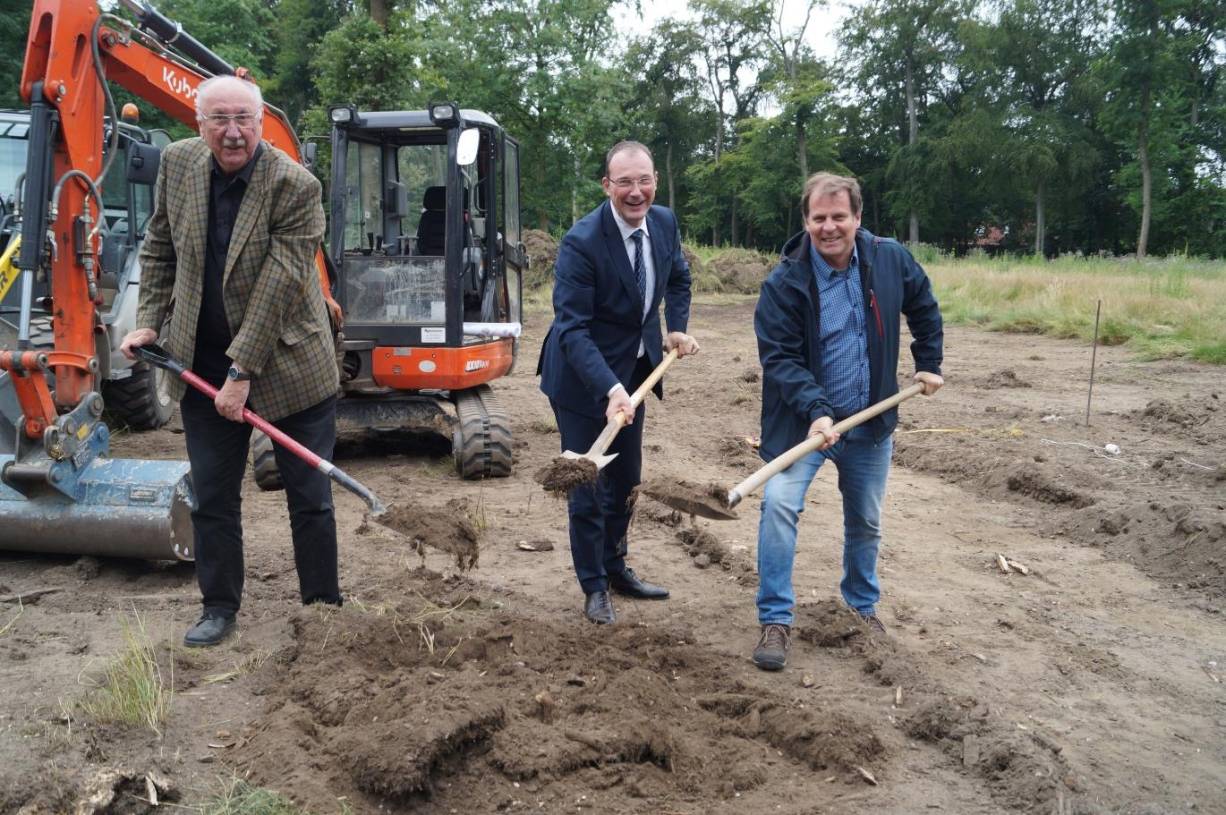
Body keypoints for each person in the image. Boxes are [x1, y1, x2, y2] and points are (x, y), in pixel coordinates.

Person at [120, 75, 340, 648]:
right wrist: (149, 318)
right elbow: (161, 245)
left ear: (262, 120)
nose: (233, 131)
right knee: (214, 496)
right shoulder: (179, 165)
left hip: (292, 362)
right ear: (200, 124)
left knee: (309, 497)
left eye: (244, 118)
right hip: (203, 361)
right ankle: (219, 607)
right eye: (219, 118)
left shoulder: (295, 184)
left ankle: (322, 608)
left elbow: (281, 284)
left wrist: (241, 373)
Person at [751, 172, 943, 671]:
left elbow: (923, 304)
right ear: (806, 220)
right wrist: (817, 412)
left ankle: (861, 608)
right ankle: (775, 618)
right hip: (802, 426)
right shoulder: (785, 281)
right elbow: (781, 359)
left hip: (870, 424)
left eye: (840, 217)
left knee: (866, 522)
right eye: (819, 218)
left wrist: (930, 360)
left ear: (858, 218)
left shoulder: (888, 258)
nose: (829, 227)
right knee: (777, 507)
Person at [538, 140, 699, 625]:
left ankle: (615, 565)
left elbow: (680, 278)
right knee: (586, 482)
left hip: (637, 372)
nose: (636, 191)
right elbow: (572, 328)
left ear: (655, 181)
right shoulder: (582, 241)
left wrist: (676, 327)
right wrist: (610, 390)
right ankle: (593, 586)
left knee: (626, 479)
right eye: (624, 182)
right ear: (607, 185)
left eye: (644, 180)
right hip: (584, 380)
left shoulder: (665, 223)